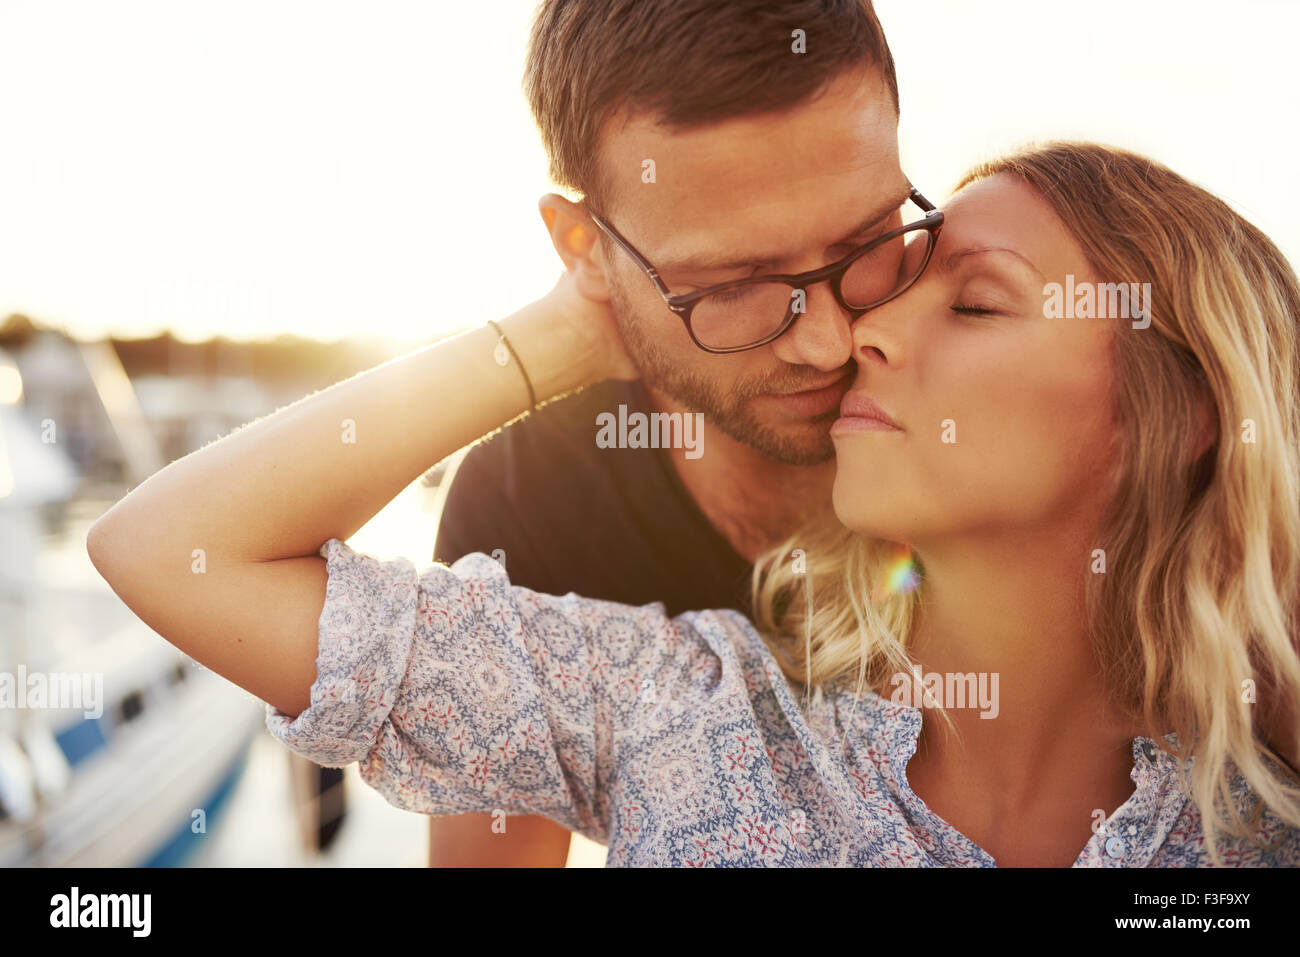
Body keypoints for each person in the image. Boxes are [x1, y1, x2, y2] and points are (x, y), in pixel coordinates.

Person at [87, 137, 1300, 866]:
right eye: (897, 284)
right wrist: (587, 318)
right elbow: (171, 548)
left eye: (974, 303)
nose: (860, 327)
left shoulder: (1257, 827)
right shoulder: (679, 714)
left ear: (1178, 414)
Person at [426, 0, 901, 865]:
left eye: (867, 238)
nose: (828, 340)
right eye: (732, 281)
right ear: (584, 248)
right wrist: (560, 335)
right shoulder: (535, 500)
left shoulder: (993, 423)